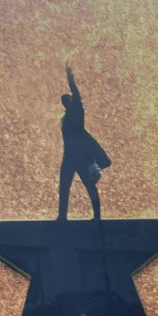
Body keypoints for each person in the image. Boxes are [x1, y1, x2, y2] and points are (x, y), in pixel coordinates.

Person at [57, 65, 111, 223]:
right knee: (64, 187)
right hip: (68, 157)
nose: (65, 99)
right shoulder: (66, 118)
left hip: (80, 157)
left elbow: (75, 91)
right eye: (63, 99)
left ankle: (97, 216)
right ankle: (62, 217)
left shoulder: (77, 111)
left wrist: (69, 76)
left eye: (68, 97)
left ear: (72, 101)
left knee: (89, 186)